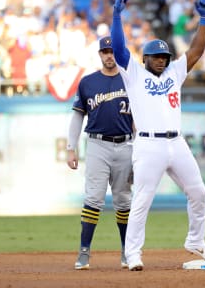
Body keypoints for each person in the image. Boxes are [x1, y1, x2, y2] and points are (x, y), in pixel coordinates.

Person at [110, 0, 205, 271]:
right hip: (148, 145)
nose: (162, 60)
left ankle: (196, 241)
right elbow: (121, 50)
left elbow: (196, 51)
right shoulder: (134, 73)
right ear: (145, 58)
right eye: (156, 56)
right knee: (143, 200)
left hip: (177, 142)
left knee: (199, 192)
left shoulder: (174, 73)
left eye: (164, 56)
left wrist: (204, 19)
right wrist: (116, 16)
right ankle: (132, 254)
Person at [66, 36, 133, 270]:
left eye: (112, 51)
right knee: (93, 198)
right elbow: (77, 116)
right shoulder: (88, 82)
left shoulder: (131, 79)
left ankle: (127, 251)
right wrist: (70, 147)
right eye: (105, 51)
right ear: (100, 54)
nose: (109, 55)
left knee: (123, 200)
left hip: (126, 145)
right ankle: (84, 252)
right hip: (97, 145)